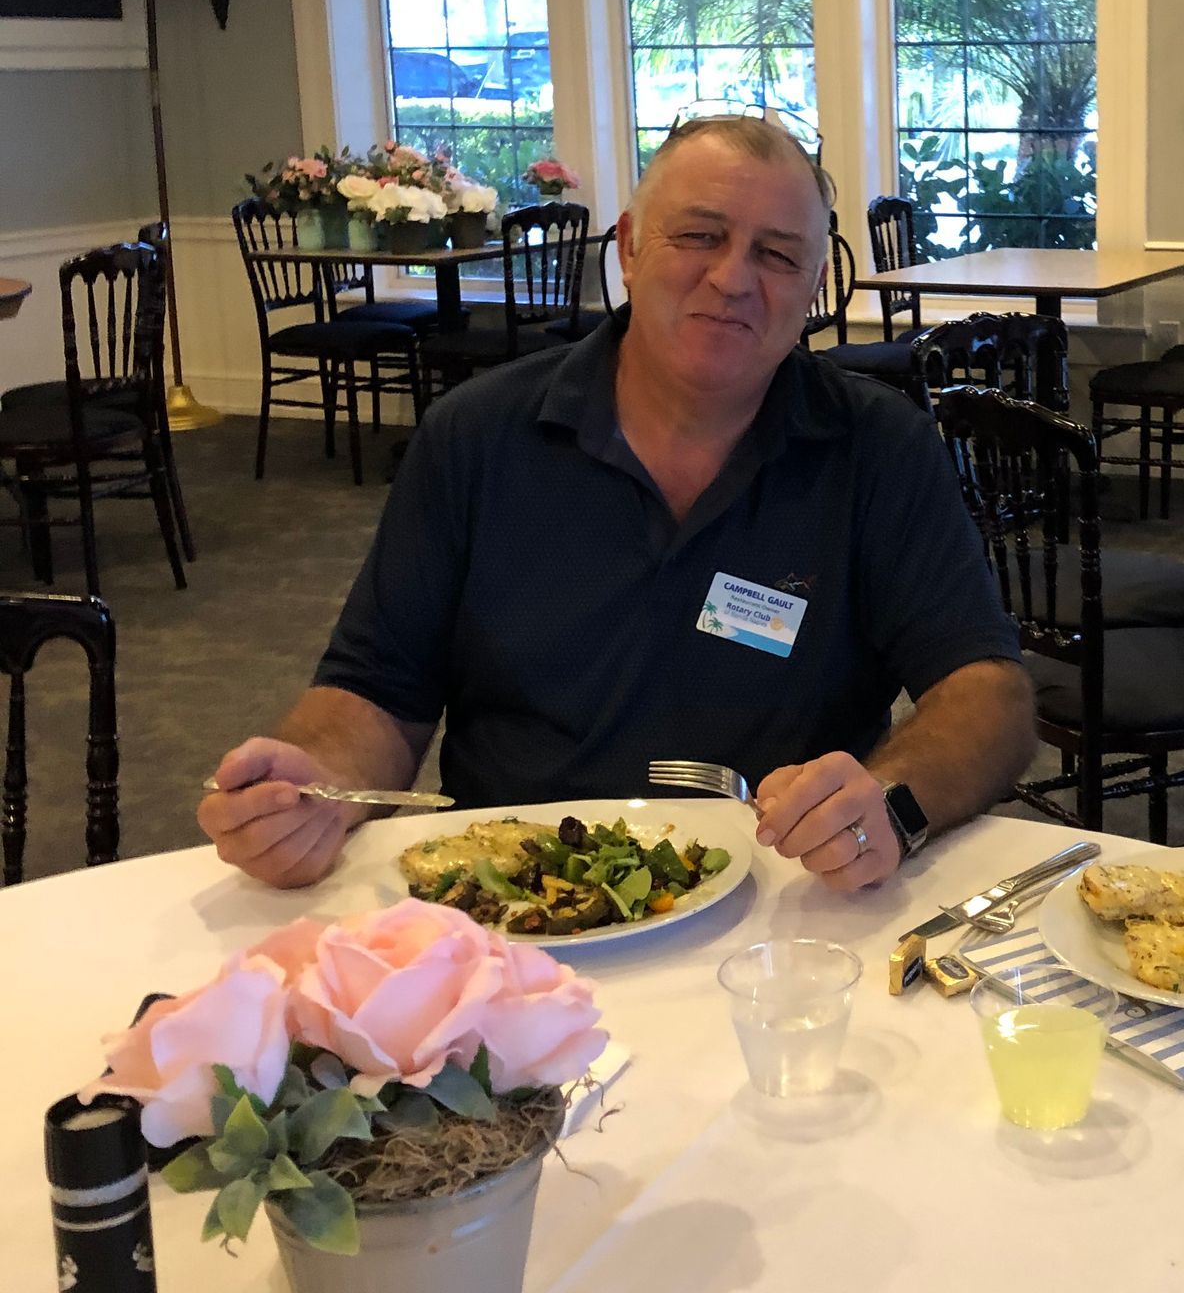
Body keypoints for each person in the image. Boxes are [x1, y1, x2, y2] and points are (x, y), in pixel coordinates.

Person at [200, 116, 1034, 894]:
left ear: (815, 286)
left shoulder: (878, 446)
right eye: (700, 236)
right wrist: (315, 785)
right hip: (511, 903)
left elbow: (987, 693)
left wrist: (891, 799)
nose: (732, 279)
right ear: (629, 248)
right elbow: (377, 691)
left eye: (778, 255)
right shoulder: (477, 436)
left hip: (776, 906)